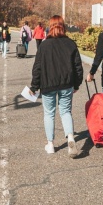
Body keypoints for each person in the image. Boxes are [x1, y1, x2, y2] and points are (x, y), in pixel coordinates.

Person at [30, 15, 83, 157]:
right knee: (66, 112)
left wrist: (34, 86)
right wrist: (76, 84)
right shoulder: (70, 44)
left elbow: (37, 68)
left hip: (48, 84)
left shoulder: (44, 45)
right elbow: (78, 67)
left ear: (50, 27)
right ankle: (70, 137)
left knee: (49, 113)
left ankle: (50, 144)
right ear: (63, 27)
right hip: (67, 84)